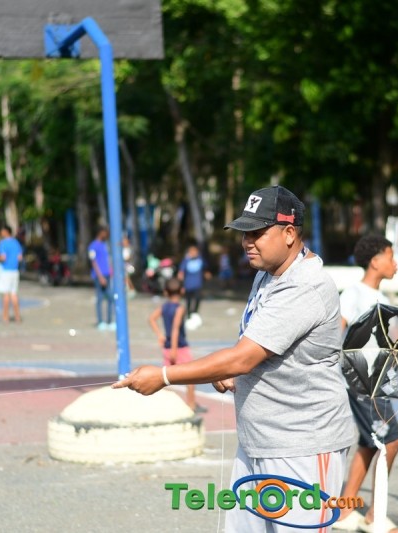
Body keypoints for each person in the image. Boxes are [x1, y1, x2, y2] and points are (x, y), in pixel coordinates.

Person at [112, 185, 355, 531]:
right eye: (244, 233)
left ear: (289, 234)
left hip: (301, 446)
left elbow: (243, 357)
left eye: (257, 233)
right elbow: (255, 350)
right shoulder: (267, 274)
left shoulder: (305, 285)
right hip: (259, 441)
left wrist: (164, 377)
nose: (247, 242)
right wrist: (234, 372)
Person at [334, 235, 398, 533]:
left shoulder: (385, 302)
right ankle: (374, 515)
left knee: (369, 443)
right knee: (391, 441)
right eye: (391, 257)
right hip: (361, 382)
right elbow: (335, 332)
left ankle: (344, 510)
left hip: (376, 383)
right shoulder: (353, 294)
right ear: (376, 261)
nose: (395, 263)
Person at [148, 277, 199, 411]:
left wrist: (160, 335)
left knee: (165, 378)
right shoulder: (180, 308)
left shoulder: (163, 307)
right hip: (180, 347)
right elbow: (175, 329)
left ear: (165, 292)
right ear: (182, 291)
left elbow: (151, 319)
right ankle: (192, 405)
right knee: (191, 377)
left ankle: (166, 406)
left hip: (167, 347)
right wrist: (174, 349)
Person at [178, 244, 212, 325]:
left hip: (198, 284)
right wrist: (181, 282)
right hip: (188, 284)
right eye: (191, 251)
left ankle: (195, 313)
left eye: (195, 251)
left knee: (197, 299)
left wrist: (207, 274)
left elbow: (205, 269)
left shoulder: (201, 260)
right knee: (188, 301)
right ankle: (189, 314)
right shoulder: (186, 260)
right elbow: (181, 271)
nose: (193, 253)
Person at [89, 227, 115, 331]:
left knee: (110, 298)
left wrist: (111, 272)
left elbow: (108, 260)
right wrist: (100, 277)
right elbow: (93, 262)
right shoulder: (93, 246)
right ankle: (100, 321)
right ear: (100, 233)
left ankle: (109, 321)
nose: (106, 235)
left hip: (107, 274)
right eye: (104, 233)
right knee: (100, 298)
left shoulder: (105, 245)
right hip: (99, 276)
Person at [0, 226, 23, 324]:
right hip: (15, 271)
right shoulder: (16, 243)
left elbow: (3, 257)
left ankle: (5, 317)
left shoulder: (3, 243)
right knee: (14, 294)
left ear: (6, 232)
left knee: (6, 294)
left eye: (2, 231)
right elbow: (20, 257)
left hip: (6, 271)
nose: (1, 233)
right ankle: (17, 317)